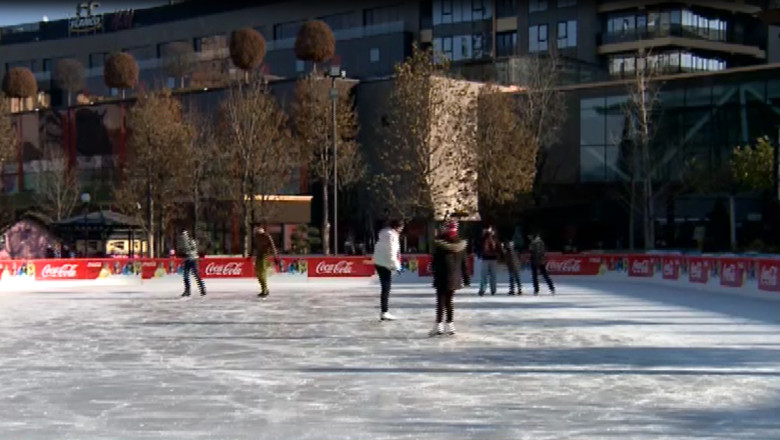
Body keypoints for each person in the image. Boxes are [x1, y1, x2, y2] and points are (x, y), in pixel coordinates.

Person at [429, 220, 469, 336]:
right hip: (455, 277)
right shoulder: (461, 245)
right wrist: (466, 278)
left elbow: (435, 262)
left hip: (442, 275)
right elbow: (464, 263)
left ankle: (439, 325)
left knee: (440, 301)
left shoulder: (440, 244)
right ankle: (450, 325)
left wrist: (434, 270)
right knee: (449, 301)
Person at [372, 219, 403, 321]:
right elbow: (392, 252)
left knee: (385, 287)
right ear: (398, 227)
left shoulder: (384, 234)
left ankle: (384, 311)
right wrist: (396, 265)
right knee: (386, 287)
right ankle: (384, 312)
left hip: (379, 262)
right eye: (401, 227)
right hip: (385, 263)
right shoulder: (392, 236)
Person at [253, 225, 280, 297]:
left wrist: (275, 256)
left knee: (262, 273)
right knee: (258, 273)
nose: (259, 235)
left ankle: (265, 290)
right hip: (258, 255)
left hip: (264, 256)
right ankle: (263, 289)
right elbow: (255, 246)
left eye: (260, 233)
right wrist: (252, 253)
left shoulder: (267, 237)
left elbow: (273, 247)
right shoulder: (256, 237)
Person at [179, 230, 206, 297]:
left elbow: (192, 249)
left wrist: (187, 247)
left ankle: (202, 289)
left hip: (193, 259)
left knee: (196, 275)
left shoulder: (192, 241)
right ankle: (187, 291)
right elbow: (181, 250)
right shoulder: (182, 243)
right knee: (185, 276)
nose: (184, 237)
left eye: (185, 236)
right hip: (187, 260)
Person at [477, 225, 501, 296]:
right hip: (491, 259)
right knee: (491, 276)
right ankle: (491, 290)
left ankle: (484, 289)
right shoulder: (489, 238)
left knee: (485, 276)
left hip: (488, 259)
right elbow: (498, 248)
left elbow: (479, 247)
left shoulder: (488, 238)